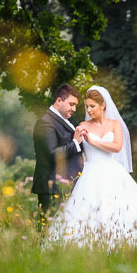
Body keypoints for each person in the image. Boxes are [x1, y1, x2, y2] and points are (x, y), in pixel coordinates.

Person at [45, 86, 137, 248]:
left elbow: (117, 147)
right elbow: (74, 148)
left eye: (92, 106)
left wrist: (92, 141)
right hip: (90, 175)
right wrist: (77, 139)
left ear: (103, 105)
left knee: (120, 208)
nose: (89, 110)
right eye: (87, 106)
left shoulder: (115, 125)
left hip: (113, 173)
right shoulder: (83, 125)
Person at [32, 84, 84, 217]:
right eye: (71, 104)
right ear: (59, 100)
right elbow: (52, 154)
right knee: (48, 230)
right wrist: (75, 142)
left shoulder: (63, 120)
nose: (74, 109)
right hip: (52, 187)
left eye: (75, 105)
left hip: (65, 185)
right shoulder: (46, 123)